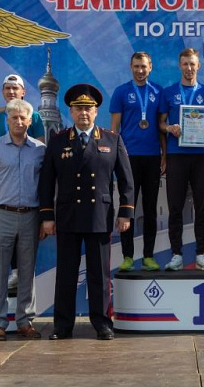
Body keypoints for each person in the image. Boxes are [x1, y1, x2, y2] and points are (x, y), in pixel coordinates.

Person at [39, 84, 134, 340]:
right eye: (79, 108)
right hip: (68, 214)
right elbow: (46, 181)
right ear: (70, 111)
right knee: (66, 274)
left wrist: (125, 212)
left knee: (99, 275)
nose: (83, 113)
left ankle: (102, 323)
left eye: (88, 108)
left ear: (96, 111)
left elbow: (126, 180)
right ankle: (62, 325)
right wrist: (47, 216)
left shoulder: (111, 139)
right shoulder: (58, 140)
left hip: (99, 215)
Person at [0, 99, 45, 341]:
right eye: (14, 117)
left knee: (27, 271)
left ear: (30, 121)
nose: (18, 121)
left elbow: (46, 188)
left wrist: (44, 219)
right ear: (6, 120)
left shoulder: (40, 150)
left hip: (31, 215)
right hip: (1, 215)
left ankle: (25, 322)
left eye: (23, 118)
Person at [0, 74, 45, 290]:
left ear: (23, 92)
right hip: (2, 199)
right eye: (7, 88)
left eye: (15, 88)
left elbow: (40, 157)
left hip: (29, 203)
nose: (11, 92)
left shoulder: (35, 117)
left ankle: (24, 307)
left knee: (27, 262)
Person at [158, 48, 204, 271]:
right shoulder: (169, 92)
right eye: (185, 64)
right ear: (179, 66)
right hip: (177, 155)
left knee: (202, 206)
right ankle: (176, 254)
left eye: (192, 64)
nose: (189, 68)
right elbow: (160, 123)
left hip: (201, 156)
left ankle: (201, 253)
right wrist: (169, 128)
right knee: (175, 206)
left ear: (198, 66)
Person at [110, 52, 164, 272]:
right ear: (130, 67)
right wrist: (114, 156)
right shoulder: (121, 92)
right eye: (136, 66)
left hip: (152, 156)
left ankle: (148, 256)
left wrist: (164, 155)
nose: (140, 70)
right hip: (128, 157)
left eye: (143, 66)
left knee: (150, 208)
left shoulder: (158, 91)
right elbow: (115, 128)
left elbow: (161, 126)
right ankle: (128, 257)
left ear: (150, 67)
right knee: (127, 206)